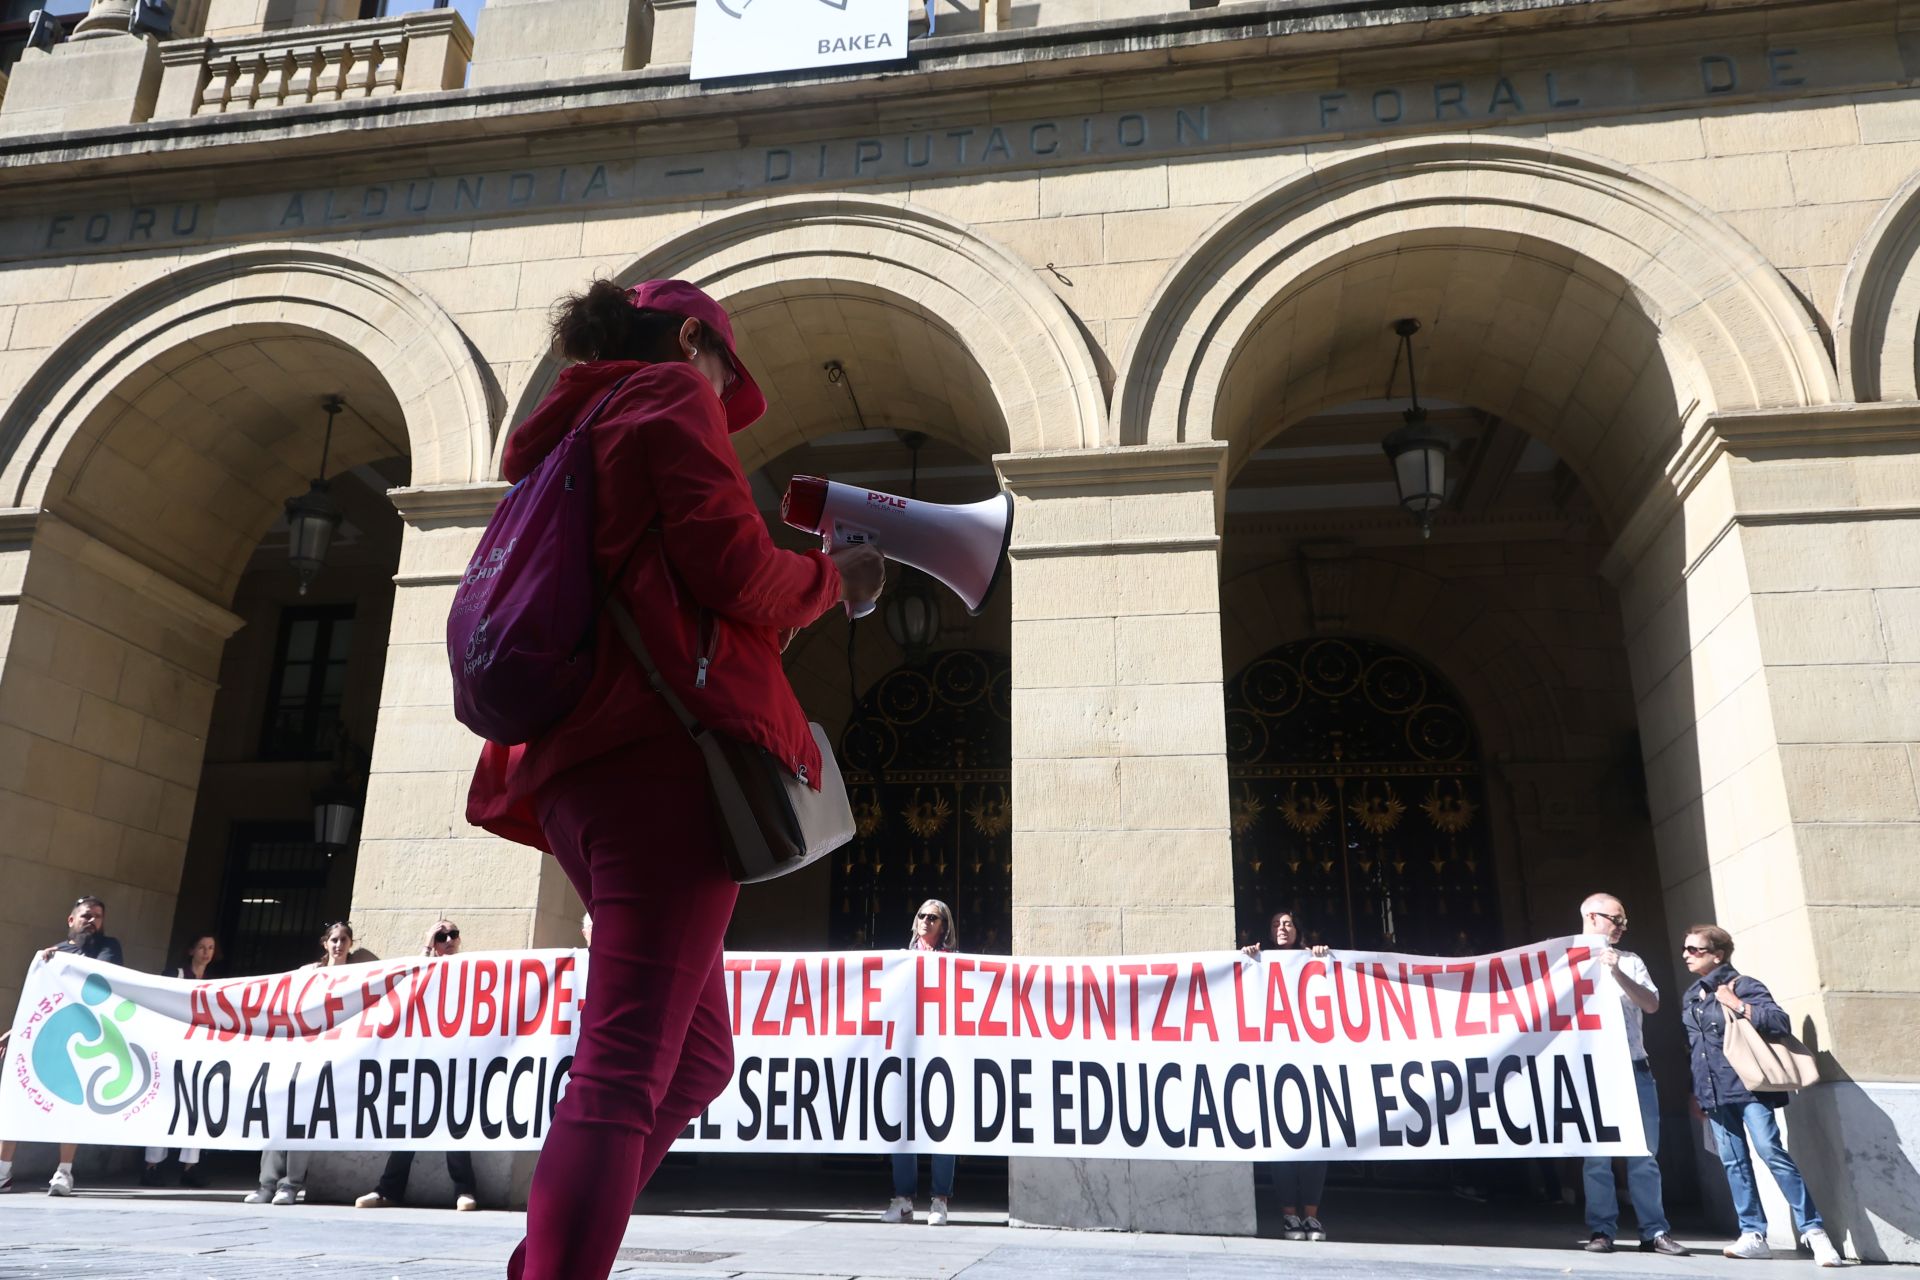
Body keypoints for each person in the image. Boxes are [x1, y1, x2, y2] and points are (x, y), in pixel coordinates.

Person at [465, 277, 884, 1280]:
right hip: (662, 760)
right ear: (694, 338)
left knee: (694, 1060)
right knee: (618, 1074)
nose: (720, 393)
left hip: (577, 767)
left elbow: (672, 580)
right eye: (722, 370)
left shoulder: (572, 429)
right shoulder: (666, 396)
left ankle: (546, 1259)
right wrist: (836, 578)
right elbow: (732, 567)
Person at [1680, 924, 1841, 1267]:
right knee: (1733, 1162)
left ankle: (1815, 1232)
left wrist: (1736, 1004)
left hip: (1750, 1088)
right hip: (1714, 1092)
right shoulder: (1692, 995)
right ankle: (1753, 1233)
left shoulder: (1743, 985)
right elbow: (1695, 1049)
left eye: (1695, 950)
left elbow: (1778, 1022)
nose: (1686, 955)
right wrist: (1695, 1092)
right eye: (1686, 949)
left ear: (1717, 955)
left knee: (1771, 1152)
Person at [1575, 894, 1686, 1256]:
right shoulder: (1564, 960)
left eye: (1624, 922)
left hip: (1634, 1066)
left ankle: (1654, 1231)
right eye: (1615, 919)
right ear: (1592, 916)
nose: (1621, 927)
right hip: (1592, 1071)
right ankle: (1601, 1230)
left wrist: (1617, 971)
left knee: (1644, 1154)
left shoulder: (1631, 961)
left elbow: (1651, 1004)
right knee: (1596, 1157)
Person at [0, 896, 125, 1196]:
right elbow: (38, 1000)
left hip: (85, 1038)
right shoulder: (52, 954)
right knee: (17, 1097)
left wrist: (60, 961)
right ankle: (3, 1170)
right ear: (71, 920)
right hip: (48, 1037)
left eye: (98, 916)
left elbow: (103, 976)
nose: (92, 920)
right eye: (86, 915)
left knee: (71, 1101)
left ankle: (63, 1172)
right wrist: (16, 1031)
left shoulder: (107, 948)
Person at [356, 919, 479, 1211]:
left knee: (455, 1122)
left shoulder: (470, 969)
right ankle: (388, 1190)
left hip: (456, 1055)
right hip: (423, 1054)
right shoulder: (424, 967)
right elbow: (408, 985)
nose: (448, 939)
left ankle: (466, 1190)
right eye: (441, 936)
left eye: (453, 934)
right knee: (410, 1124)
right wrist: (425, 945)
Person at [247, 922, 362, 1206]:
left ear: (351, 943)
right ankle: (266, 1184)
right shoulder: (307, 974)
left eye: (344, 940)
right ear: (325, 943)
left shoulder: (359, 975)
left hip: (332, 1056)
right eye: (334, 940)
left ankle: (291, 1184)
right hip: (298, 1053)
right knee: (278, 1117)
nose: (339, 945)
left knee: (304, 1120)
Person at [1241, 909, 1332, 1241]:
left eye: (1289, 923)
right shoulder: (1260, 961)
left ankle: (1312, 1217)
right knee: (1282, 1145)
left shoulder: (1313, 960)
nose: (1283, 928)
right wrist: (1248, 957)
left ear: (1298, 930)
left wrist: (1321, 957)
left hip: (1311, 1065)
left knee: (1315, 1145)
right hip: (1276, 1066)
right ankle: (1289, 1217)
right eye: (1278, 924)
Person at [884, 899, 959, 1227]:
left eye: (934, 917)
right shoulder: (899, 961)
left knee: (944, 1126)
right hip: (905, 1049)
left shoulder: (954, 963)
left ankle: (939, 1200)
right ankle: (902, 1199)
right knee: (902, 1125)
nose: (926, 921)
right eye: (922, 916)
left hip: (942, 1050)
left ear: (944, 926)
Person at [143, 934, 220, 1188]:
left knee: (195, 1107)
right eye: (202, 947)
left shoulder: (214, 983)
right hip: (170, 1049)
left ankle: (190, 1166)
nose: (206, 952)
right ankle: (152, 1165)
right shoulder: (174, 975)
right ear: (191, 950)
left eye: (210, 948)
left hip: (198, 1051)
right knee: (164, 1105)